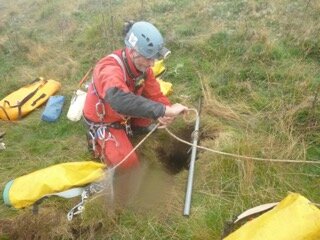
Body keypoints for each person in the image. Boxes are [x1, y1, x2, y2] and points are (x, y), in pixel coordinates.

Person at [83, 21, 188, 171]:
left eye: (154, 58)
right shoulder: (109, 69)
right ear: (132, 52)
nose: (152, 64)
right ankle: (100, 144)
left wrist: (166, 109)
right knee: (128, 164)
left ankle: (131, 129)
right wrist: (161, 111)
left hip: (125, 115)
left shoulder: (143, 69)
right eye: (149, 58)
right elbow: (119, 100)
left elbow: (155, 94)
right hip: (105, 122)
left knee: (152, 118)